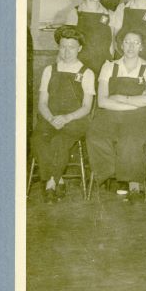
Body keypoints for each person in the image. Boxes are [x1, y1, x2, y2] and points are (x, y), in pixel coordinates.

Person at [87, 28, 146, 202]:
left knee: (130, 139)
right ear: (120, 45)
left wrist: (120, 98)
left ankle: (133, 183)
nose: (131, 46)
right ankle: (115, 175)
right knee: (95, 136)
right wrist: (133, 102)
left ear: (141, 46)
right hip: (110, 114)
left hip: (138, 117)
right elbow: (102, 101)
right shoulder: (109, 66)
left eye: (136, 42)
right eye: (127, 42)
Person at [32, 26, 95, 203]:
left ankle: (51, 184)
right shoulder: (49, 70)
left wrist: (66, 118)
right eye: (63, 46)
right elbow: (42, 103)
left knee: (60, 141)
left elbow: (86, 107)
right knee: (38, 140)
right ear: (59, 47)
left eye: (71, 47)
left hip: (75, 120)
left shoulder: (86, 73)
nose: (66, 51)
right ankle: (58, 178)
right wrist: (51, 118)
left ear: (79, 48)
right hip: (49, 118)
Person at [65, 0, 112, 78]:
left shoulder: (110, 14)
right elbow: (67, 45)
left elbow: (111, 45)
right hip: (80, 65)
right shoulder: (75, 13)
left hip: (103, 66)